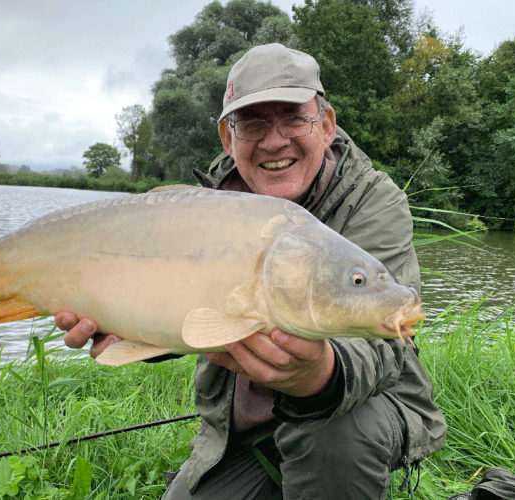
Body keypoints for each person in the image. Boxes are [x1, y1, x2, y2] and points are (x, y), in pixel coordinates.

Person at [55, 43, 446, 499]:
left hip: (364, 410)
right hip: (247, 432)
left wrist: (317, 375)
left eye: (293, 118)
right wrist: (130, 326)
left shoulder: (372, 201)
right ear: (228, 138)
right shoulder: (202, 208)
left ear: (326, 124)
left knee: (331, 435)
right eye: (254, 122)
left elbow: (384, 346)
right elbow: (191, 316)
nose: (274, 140)